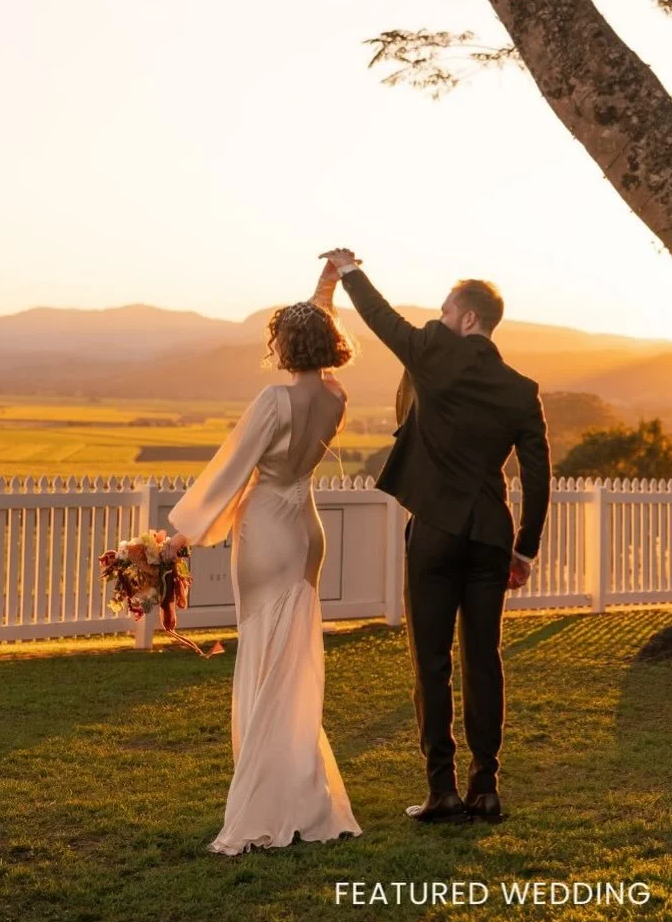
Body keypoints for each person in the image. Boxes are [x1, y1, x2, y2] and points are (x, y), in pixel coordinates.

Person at [321, 248, 551, 824]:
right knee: (484, 658)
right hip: (491, 535)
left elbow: (381, 320)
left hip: (435, 533)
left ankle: (442, 790)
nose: (440, 318)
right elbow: (538, 473)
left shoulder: (433, 350)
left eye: (447, 311)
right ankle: (487, 788)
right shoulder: (522, 389)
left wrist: (350, 272)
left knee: (431, 661)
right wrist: (525, 547)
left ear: (468, 318)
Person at [165, 261, 361, 854]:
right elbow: (314, 341)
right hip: (307, 532)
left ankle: (265, 801)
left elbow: (230, 469)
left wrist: (180, 537)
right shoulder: (335, 396)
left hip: (269, 531)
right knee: (291, 665)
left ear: (286, 347)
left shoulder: (274, 400)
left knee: (264, 659)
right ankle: (301, 792)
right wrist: (328, 285)